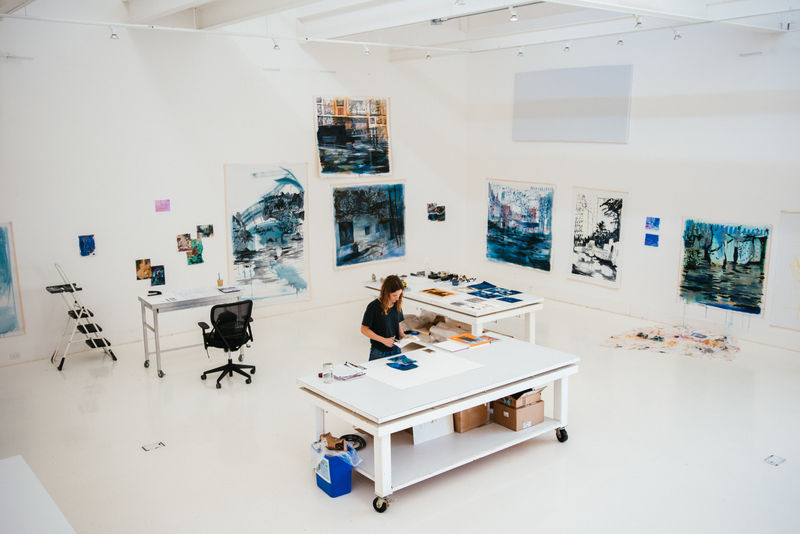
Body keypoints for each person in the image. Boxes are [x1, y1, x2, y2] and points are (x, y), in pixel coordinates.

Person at [361, 274, 405, 361]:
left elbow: (398, 323)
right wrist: (384, 340)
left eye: (399, 295)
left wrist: (403, 336)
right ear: (386, 293)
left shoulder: (397, 305)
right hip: (379, 353)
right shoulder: (373, 307)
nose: (397, 298)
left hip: (396, 350)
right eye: (394, 295)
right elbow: (364, 329)